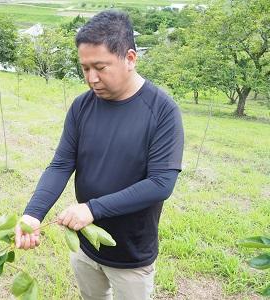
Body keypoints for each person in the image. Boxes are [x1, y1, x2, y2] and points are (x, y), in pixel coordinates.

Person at [15, 10, 184, 300]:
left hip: (132, 254)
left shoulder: (162, 111)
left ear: (130, 58)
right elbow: (61, 164)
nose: (91, 78)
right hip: (85, 244)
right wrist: (33, 214)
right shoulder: (82, 106)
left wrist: (92, 208)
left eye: (100, 67)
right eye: (85, 68)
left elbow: (161, 183)